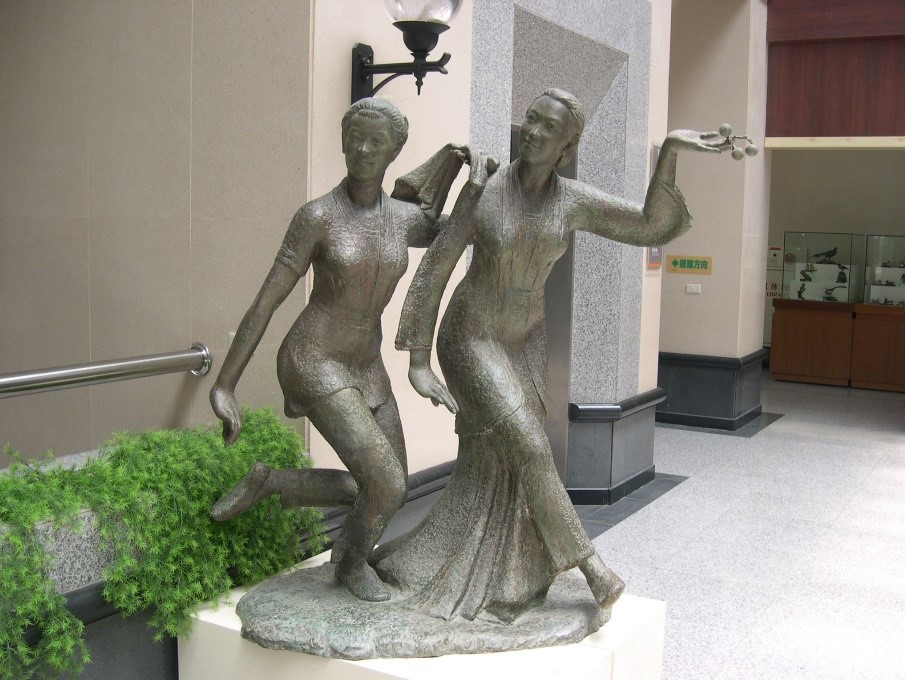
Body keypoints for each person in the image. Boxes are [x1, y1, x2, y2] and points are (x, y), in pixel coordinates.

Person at [371, 89, 731, 621]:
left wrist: (671, 151)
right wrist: (418, 357)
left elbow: (648, 226)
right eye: (531, 120)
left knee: (504, 459)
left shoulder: (572, 201)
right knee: (532, 448)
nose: (534, 133)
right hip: (472, 336)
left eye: (549, 128)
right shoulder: (486, 189)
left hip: (528, 341)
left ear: (567, 147)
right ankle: (592, 567)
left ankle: (497, 575)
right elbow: (438, 263)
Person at [209, 97, 492, 602]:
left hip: (367, 363)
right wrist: (225, 384)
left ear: (394, 152)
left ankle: (273, 484)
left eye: (375, 142)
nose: (362, 150)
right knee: (385, 484)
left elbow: (455, 233)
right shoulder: (317, 217)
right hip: (313, 358)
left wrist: (473, 182)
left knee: (391, 485)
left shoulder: (401, 219)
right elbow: (267, 301)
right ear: (342, 142)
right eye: (354, 139)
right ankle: (351, 565)